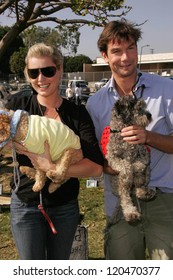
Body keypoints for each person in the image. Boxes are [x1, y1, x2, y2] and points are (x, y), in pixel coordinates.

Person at [5, 42, 104, 260]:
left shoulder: (77, 114)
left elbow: (96, 168)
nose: (41, 79)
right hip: (24, 205)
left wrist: (51, 168)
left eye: (47, 71)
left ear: (59, 70)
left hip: (64, 208)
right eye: (33, 72)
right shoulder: (18, 104)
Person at [86, 19, 173, 260]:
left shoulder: (167, 89)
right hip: (119, 201)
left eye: (131, 48)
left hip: (164, 197)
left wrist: (149, 137)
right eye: (116, 51)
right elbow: (95, 156)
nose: (125, 57)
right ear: (104, 56)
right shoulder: (95, 103)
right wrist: (109, 165)